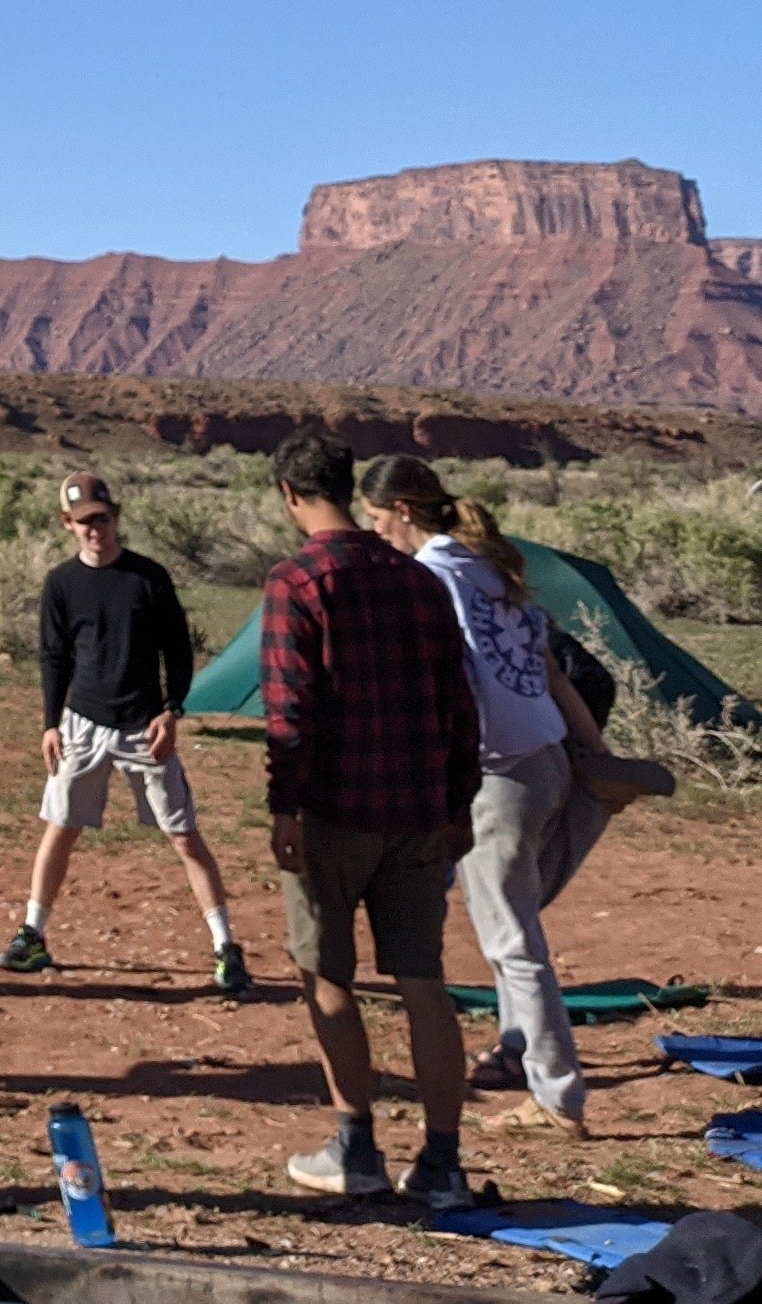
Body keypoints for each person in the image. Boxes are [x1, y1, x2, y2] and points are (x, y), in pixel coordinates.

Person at [260, 428, 482, 1209]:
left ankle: (355, 1144)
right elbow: (461, 706)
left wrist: (283, 804)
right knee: (424, 981)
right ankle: (444, 1163)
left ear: (291, 494)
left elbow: (290, 709)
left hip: (334, 812)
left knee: (326, 973)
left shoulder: (298, 582)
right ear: (351, 489)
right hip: (420, 811)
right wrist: (459, 804)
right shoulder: (420, 581)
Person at [360, 456, 604, 1137]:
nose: (374, 531)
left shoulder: (431, 576)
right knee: (514, 917)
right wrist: (599, 756)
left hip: (496, 774)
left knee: (511, 937)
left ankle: (558, 1099)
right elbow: (551, 671)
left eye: (377, 519)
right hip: (549, 760)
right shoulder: (490, 568)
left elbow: (443, 687)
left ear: (403, 511)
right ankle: (519, 1049)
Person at [0, 472, 251, 1001]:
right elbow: (54, 656)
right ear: (68, 525)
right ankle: (33, 934)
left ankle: (226, 947)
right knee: (59, 827)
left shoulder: (148, 578)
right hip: (82, 723)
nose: (96, 529)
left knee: (183, 835)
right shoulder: (61, 583)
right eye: (84, 521)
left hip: (143, 724)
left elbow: (178, 650)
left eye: (103, 518)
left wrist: (172, 710)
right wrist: (49, 721)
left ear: (116, 518)